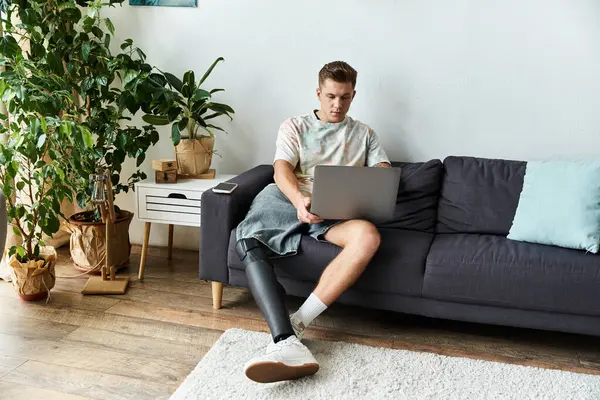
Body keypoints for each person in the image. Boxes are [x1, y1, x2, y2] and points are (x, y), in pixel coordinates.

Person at [236, 61, 391, 383]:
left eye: (345, 97)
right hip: (289, 197)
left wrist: (370, 183)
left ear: (353, 95)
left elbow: (383, 174)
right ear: (319, 93)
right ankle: (285, 340)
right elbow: (281, 170)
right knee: (247, 238)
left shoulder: (365, 135)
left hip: (338, 209)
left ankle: (296, 325)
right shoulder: (294, 126)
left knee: (369, 236)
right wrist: (298, 201)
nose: (338, 105)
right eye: (332, 96)